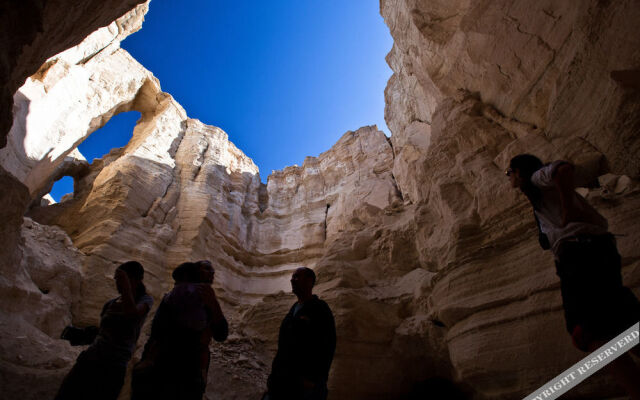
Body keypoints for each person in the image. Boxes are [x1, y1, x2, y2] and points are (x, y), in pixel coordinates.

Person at [507, 154, 640, 398]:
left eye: (509, 173)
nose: (509, 180)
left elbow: (563, 169)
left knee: (587, 331)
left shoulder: (536, 178)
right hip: (598, 250)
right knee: (622, 316)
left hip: (579, 253)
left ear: (518, 171)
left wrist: (567, 209)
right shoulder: (540, 195)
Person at [55, 261, 153, 400]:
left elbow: (132, 314)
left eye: (119, 279)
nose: (117, 283)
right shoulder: (111, 303)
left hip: (113, 366)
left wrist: (126, 286)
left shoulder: (145, 300)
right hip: (91, 358)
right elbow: (103, 331)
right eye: (117, 279)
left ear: (134, 280)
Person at [132, 260, 228, 400]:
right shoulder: (180, 296)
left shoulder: (204, 301)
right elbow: (159, 331)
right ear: (194, 272)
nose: (212, 273)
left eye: (212, 270)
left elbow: (221, 334)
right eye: (207, 269)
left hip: (183, 370)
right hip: (171, 369)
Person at [265, 267, 336, 400]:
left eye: (297, 277)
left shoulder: (319, 308)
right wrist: (273, 379)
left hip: (304, 386)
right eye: (292, 277)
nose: (292, 280)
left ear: (309, 282)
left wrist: (314, 379)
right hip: (283, 381)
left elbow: (328, 344)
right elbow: (283, 347)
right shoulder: (293, 310)